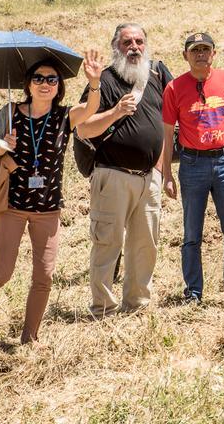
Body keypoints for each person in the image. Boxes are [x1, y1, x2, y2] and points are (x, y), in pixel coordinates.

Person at [0, 52, 104, 346]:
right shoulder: (10, 113)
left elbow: (91, 108)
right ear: (28, 84)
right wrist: (3, 146)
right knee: (1, 271)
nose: (45, 84)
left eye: (52, 79)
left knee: (45, 276)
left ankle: (30, 338)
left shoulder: (65, 116)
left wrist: (94, 83)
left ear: (58, 86)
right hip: (11, 206)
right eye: (38, 78)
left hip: (48, 209)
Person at [76, 23, 173, 317]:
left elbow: (170, 120)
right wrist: (116, 111)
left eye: (139, 41)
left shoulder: (155, 76)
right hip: (113, 175)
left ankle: (137, 305)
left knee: (145, 245)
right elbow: (82, 128)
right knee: (107, 243)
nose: (134, 47)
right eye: (127, 42)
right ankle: (103, 308)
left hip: (149, 179)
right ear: (115, 47)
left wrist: (161, 168)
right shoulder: (103, 81)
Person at [161, 32, 224, 304]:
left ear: (213, 53)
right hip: (192, 165)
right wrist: (167, 175)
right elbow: (167, 135)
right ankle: (193, 291)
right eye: (195, 50)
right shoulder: (174, 89)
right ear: (185, 56)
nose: (200, 54)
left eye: (205, 49)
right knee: (192, 232)